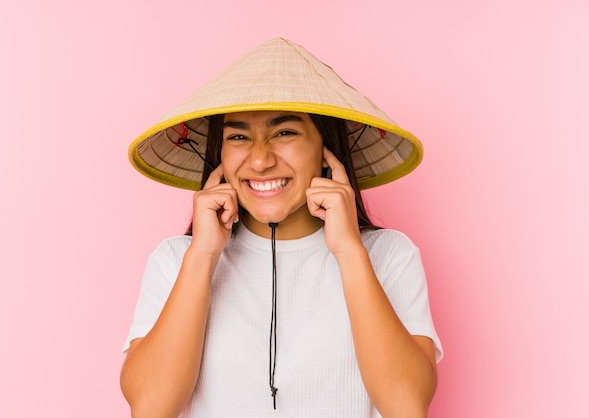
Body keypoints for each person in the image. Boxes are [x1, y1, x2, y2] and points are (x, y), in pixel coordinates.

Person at [121, 38, 443, 418]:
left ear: (327, 149)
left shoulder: (389, 255)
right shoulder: (176, 260)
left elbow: (407, 407)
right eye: (238, 136)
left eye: (285, 133)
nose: (259, 160)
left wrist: (348, 250)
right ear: (219, 156)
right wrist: (204, 255)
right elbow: (150, 409)